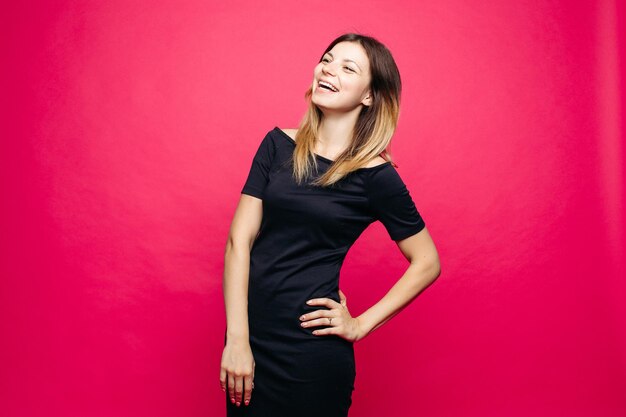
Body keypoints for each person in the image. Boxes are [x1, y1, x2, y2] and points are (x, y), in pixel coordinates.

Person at [220, 32, 441, 416]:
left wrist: (360, 324)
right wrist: (237, 339)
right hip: (251, 341)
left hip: (311, 355)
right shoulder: (276, 145)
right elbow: (240, 240)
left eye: (347, 67)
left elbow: (427, 261)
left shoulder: (377, 177)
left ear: (369, 96)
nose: (328, 69)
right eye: (327, 59)